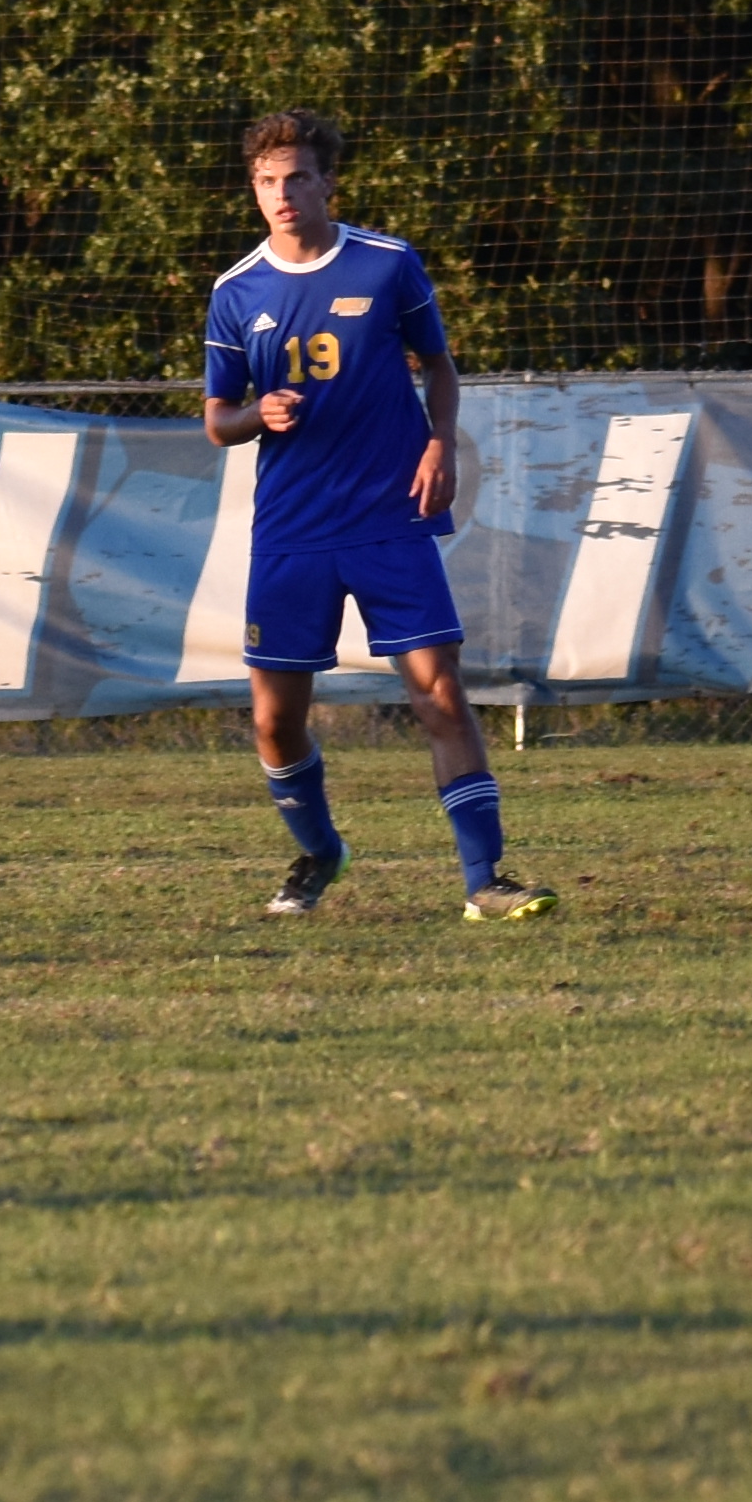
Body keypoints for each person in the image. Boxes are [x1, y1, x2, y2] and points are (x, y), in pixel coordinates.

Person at [204, 109, 545, 922]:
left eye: (297, 178)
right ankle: (321, 850)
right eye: (266, 182)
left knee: (441, 695)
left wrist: (440, 444)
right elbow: (218, 419)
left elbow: (439, 366)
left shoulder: (387, 263)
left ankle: (486, 881)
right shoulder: (235, 291)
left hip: (390, 514)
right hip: (292, 530)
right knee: (274, 723)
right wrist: (257, 416)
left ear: (327, 183)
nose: (282, 195)